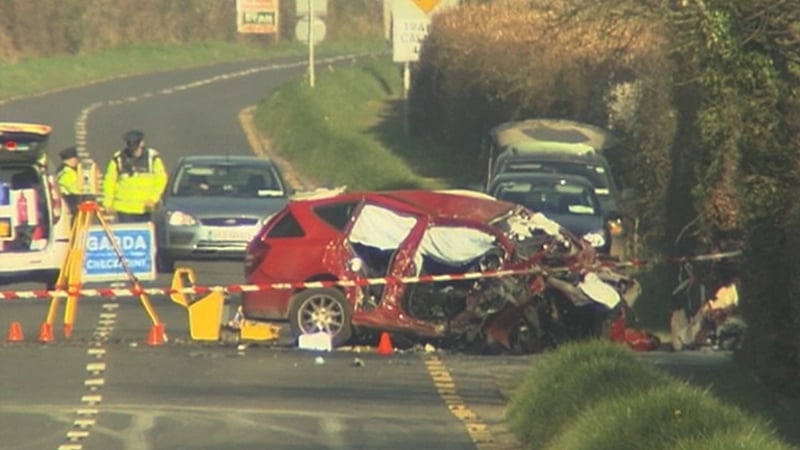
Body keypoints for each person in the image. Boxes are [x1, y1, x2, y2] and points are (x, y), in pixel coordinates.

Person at [102, 130, 167, 223]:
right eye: (131, 149)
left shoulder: (152, 158)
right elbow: (110, 181)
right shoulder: (119, 158)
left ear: (142, 143)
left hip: (146, 208)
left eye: (136, 148)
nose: (134, 152)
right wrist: (107, 202)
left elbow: (161, 179)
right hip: (125, 209)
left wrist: (154, 199)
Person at [56, 146, 81, 217]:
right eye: (73, 159)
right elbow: (75, 189)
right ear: (67, 161)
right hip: (69, 201)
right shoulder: (67, 172)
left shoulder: (64, 170)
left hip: (67, 201)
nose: (76, 161)